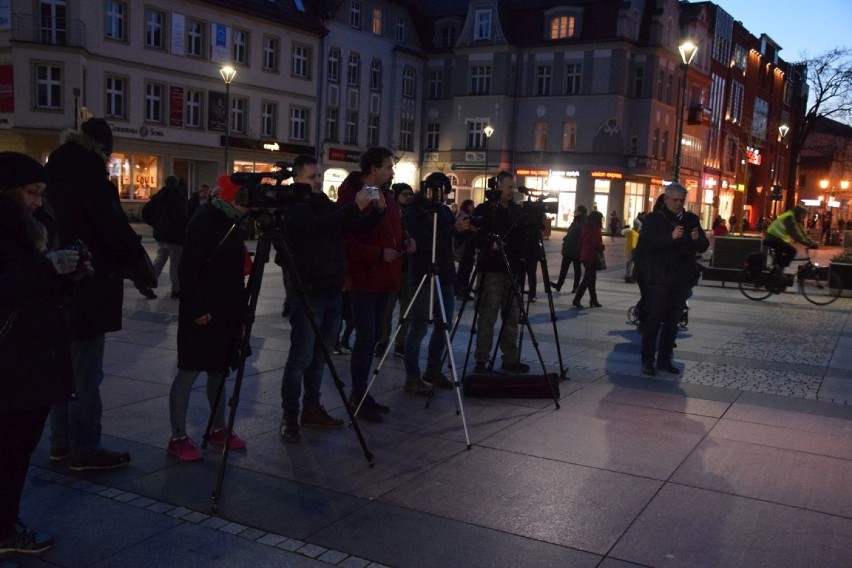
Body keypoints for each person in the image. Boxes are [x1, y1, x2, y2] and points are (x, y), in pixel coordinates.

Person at [46, 117, 148, 471]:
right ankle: (85, 449)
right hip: (89, 285)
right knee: (87, 373)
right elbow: (116, 232)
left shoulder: (52, 175)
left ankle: (60, 444)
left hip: (55, 284)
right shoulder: (92, 179)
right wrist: (139, 267)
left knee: (62, 370)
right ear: (103, 148)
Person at [0, 152, 80, 555]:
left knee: (17, 447)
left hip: (27, 356)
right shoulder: (8, 229)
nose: (37, 202)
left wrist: (66, 272)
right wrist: (48, 268)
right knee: (11, 449)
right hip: (13, 362)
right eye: (32, 193)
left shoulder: (28, 226)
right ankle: (4, 529)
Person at [279, 156, 378, 443]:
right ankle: (290, 414)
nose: (318, 181)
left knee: (320, 357)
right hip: (309, 292)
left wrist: (376, 213)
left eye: (319, 176)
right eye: (312, 177)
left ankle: (312, 407)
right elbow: (320, 227)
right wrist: (354, 208)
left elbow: (350, 226)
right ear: (297, 180)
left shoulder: (323, 204)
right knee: (301, 356)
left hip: (333, 290)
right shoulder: (296, 210)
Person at [166, 174, 250, 460]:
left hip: (227, 308)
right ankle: (177, 435)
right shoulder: (207, 221)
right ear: (233, 199)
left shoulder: (231, 222)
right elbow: (188, 270)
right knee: (189, 371)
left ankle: (219, 428)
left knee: (219, 369)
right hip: (202, 310)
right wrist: (198, 309)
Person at [337, 147, 414, 423]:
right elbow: (347, 240)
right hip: (365, 277)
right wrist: (378, 254)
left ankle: (364, 392)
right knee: (366, 337)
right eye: (388, 167)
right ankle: (358, 393)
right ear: (373, 168)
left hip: (386, 277)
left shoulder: (386, 194)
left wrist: (405, 239)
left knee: (373, 338)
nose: (392, 171)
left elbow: (394, 226)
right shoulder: (353, 196)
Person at [402, 172, 471, 394]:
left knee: (444, 325)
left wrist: (464, 231)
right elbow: (423, 241)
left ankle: (433, 369)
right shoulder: (414, 211)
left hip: (445, 273)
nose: (443, 196)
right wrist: (453, 230)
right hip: (423, 272)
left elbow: (450, 238)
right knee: (420, 326)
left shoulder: (442, 209)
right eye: (440, 191)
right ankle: (412, 376)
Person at [637, 183, 709, 376]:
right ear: (666, 199)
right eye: (675, 200)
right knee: (653, 320)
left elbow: (703, 246)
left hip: (682, 278)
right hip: (659, 278)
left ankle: (664, 360)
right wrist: (670, 237)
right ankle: (647, 360)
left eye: (682, 200)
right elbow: (647, 245)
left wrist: (697, 239)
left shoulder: (691, 219)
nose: (678, 204)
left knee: (672, 321)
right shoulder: (654, 219)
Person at [470, 171, 529, 373]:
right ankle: (481, 359)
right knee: (488, 315)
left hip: (512, 270)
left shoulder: (517, 211)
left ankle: (510, 358)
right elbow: (474, 236)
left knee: (512, 316)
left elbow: (523, 239)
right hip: (491, 269)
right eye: (510, 187)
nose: (513, 191)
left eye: (514, 187)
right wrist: (490, 243)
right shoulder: (485, 210)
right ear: (498, 187)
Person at [376, 183, 415, 358]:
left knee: (407, 310)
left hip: (409, 269)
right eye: (405, 194)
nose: (408, 197)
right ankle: (383, 342)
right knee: (387, 310)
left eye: (410, 194)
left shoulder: (413, 214)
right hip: (393, 268)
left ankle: (400, 342)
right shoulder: (390, 214)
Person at [147, 175, 188, 299]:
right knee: (175, 262)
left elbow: (146, 211)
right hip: (175, 235)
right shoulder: (178, 196)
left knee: (160, 259)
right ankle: (176, 289)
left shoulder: (158, 196)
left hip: (161, 233)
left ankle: (148, 283)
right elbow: (183, 216)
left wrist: (155, 224)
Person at [763, 206, 817, 270]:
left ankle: (777, 271)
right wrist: (808, 244)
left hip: (777, 239)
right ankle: (779, 271)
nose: (804, 217)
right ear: (798, 213)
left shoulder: (796, 220)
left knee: (780, 258)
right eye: (803, 215)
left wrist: (812, 242)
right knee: (792, 251)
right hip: (773, 238)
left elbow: (803, 234)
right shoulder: (789, 218)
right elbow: (795, 235)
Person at [572, 210, 605, 308]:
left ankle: (593, 300)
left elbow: (581, 240)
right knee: (587, 279)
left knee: (591, 279)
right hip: (592, 256)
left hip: (585, 255)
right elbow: (596, 243)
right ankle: (577, 299)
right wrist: (602, 247)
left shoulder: (586, 226)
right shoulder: (595, 228)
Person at [550, 205, 586, 293]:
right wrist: (566, 238)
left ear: (580, 212)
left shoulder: (583, 223)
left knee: (577, 269)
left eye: (576, 210)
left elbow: (582, 237)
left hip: (577, 250)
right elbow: (570, 232)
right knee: (564, 268)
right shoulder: (575, 222)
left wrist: (577, 244)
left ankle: (575, 287)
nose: (574, 212)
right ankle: (559, 285)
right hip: (569, 249)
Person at [453, 198, 478, 300]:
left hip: (467, 247)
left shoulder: (464, 215)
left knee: (466, 269)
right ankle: (461, 291)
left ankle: (463, 289)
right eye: (471, 205)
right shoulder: (463, 216)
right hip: (465, 247)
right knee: (464, 269)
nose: (473, 207)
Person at [622, 218, 641, 283]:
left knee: (630, 263)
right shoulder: (634, 234)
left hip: (629, 249)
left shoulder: (631, 232)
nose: (640, 228)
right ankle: (629, 277)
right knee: (631, 264)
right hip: (632, 250)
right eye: (639, 227)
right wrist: (634, 250)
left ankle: (628, 276)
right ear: (637, 227)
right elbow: (633, 243)